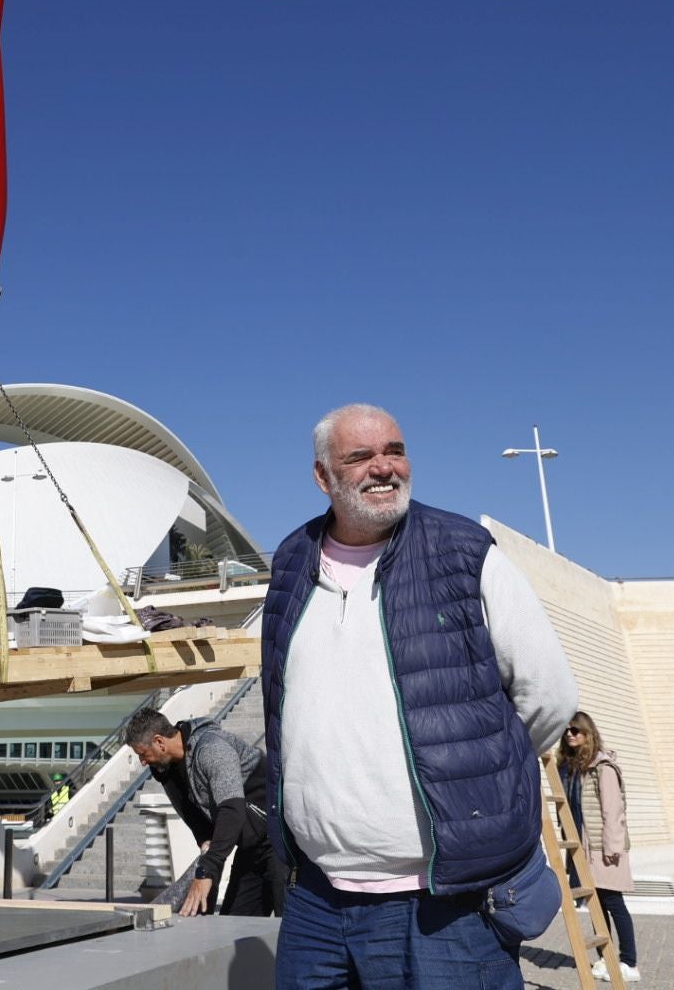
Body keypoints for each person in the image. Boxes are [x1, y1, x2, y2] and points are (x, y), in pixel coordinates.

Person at [262, 403, 579, 989]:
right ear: (322, 477)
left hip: (441, 904)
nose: (384, 468)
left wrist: (481, 777)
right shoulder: (289, 563)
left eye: (395, 450)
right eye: (360, 457)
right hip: (316, 900)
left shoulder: (464, 551)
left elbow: (548, 697)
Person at [124, 706, 286, 917]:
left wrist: (207, 870)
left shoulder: (212, 748)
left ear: (159, 742)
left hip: (281, 841)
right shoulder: (166, 769)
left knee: (291, 926)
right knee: (233, 927)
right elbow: (193, 817)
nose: (143, 762)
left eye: (143, 754)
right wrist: (205, 844)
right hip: (250, 846)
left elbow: (231, 809)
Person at [558, 711, 641, 983]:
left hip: (603, 848)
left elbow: (613, 811)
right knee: (597, 905)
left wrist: (611, 849)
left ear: (588, 733)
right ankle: (606, 957)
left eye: (576, 730)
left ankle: (629, 962)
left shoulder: (602, 768)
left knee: (614, 902)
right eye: (567, 731)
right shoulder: (571, 769)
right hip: (583, 848)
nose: (570, 734)